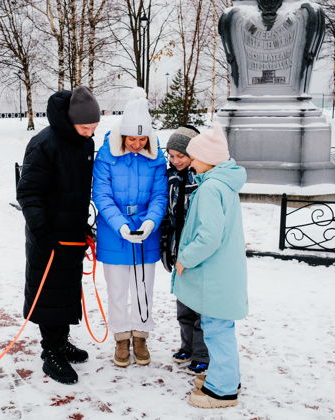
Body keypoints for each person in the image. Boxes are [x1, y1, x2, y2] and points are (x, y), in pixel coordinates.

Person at [16, 86, 100, 385]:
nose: (90, 133)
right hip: (48, 235)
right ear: (70, 121)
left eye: (94, 128)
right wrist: (41, 230)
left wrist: (83, 225)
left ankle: (61, 341)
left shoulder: (83, 143)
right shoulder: (44, 144)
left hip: (72, 233)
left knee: (66, 290)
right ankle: (50, 351)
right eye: (85, 127)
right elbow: (28, 191)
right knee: (49, 292)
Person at [171, 124, 248, 408]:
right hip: (224, 271)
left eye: (194, 157)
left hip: (215, 274)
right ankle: (225, 375)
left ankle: (223, 390)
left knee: (216, 329)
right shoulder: (222, 183)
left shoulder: (210, 188)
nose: (190, 161)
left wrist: (185, 258)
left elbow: (209, 236)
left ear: (207, 159)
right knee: (220, 326)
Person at [92, 87, 168, 367]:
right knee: (118, 289)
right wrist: (121, 225)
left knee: (144, 288)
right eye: (131, 138)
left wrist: (150, 221)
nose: (136, 144)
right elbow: (101, 194)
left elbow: (160, 195)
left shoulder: (156, 157)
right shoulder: (106, 156)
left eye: (141, 138)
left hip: (147, 232)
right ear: (122, 135)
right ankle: (122, 337)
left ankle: (141, 335)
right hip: (115, 233)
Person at [160, 125, 210, 375]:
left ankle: (202, 353)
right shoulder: (170, 177)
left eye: (181, 156)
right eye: (171, 155)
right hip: (177, 249)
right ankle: (187, 346)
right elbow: (168, 215)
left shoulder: (201, 179)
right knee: (184, 304)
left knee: (201, 307)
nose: (176, 160)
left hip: (198, 253)